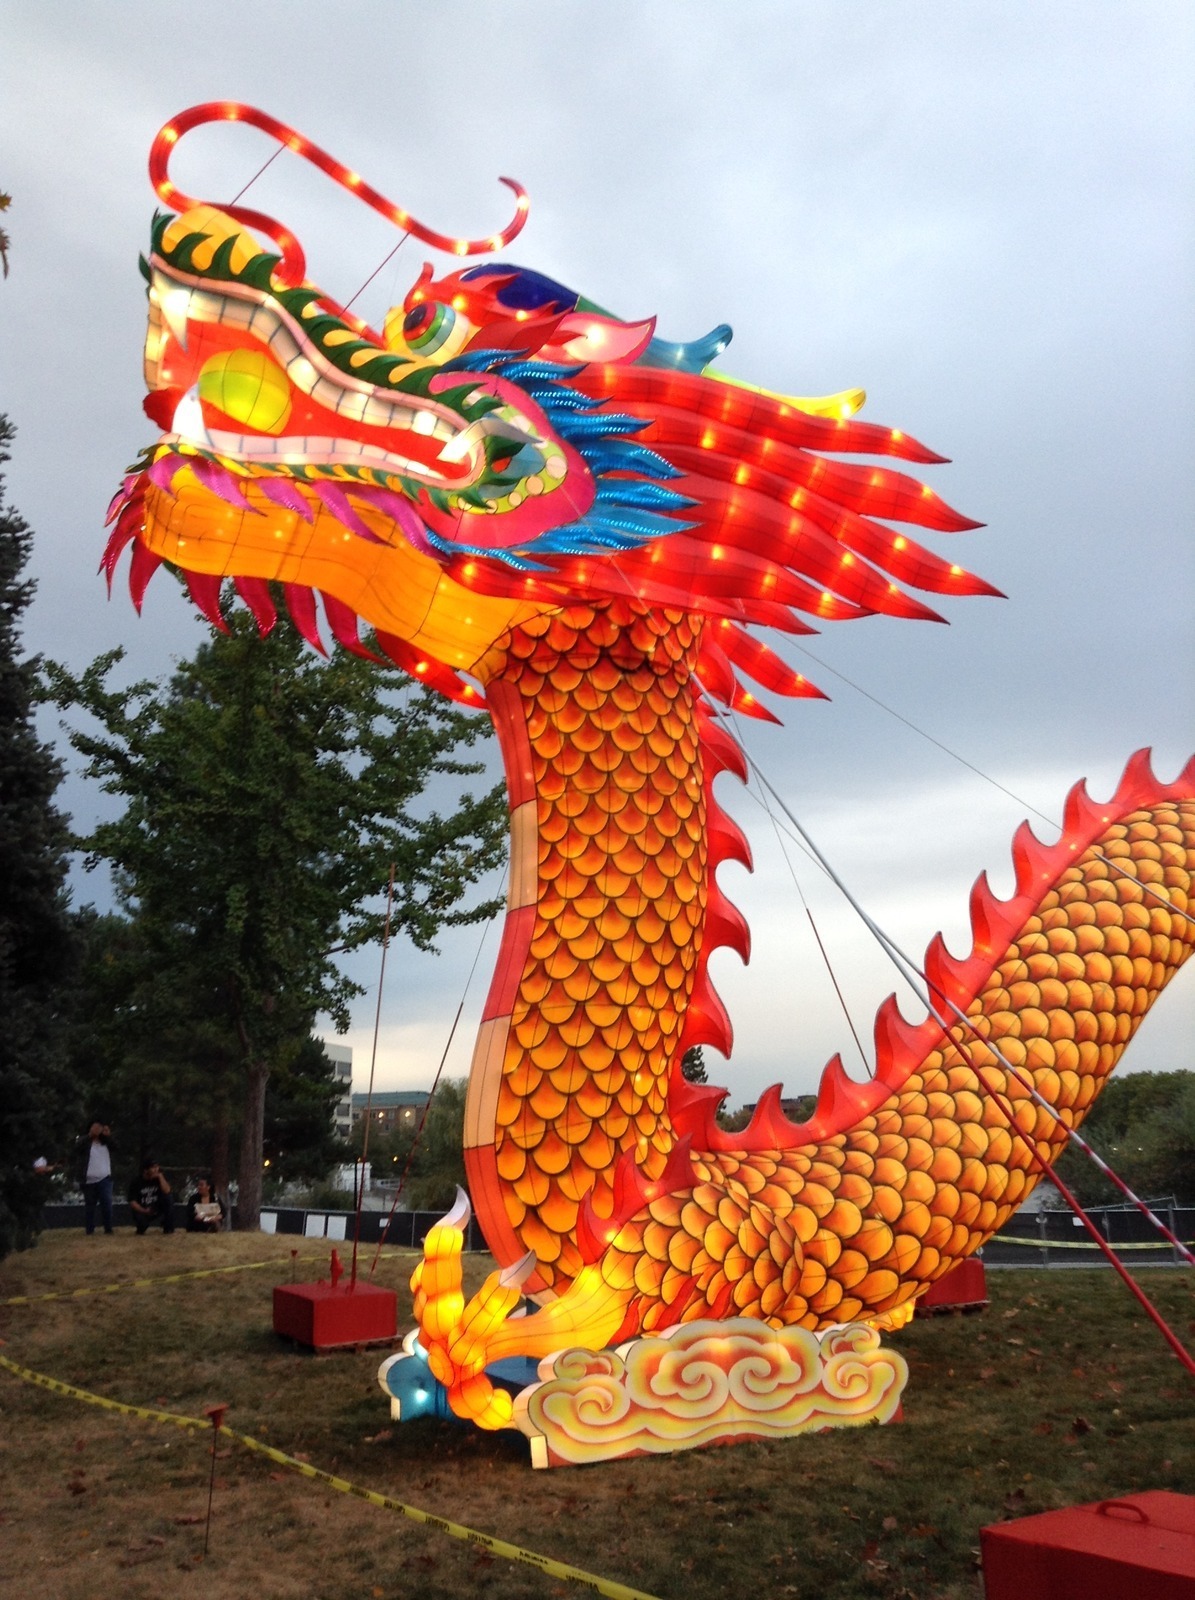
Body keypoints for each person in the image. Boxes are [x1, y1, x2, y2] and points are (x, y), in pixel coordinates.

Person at [81, 1122, 114, 1236]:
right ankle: (89, 1230)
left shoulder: (106, 1144)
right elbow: (76, 1147)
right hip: (89, 1180)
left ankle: (108, 1228)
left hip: (104, 1178)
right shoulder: (85, 1143)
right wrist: (90, 1135)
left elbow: (117, 1147)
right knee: (90, 1206)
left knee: (106, 1204)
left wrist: (107, 1136)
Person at [128, 1157, 174, 1235]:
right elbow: (132, 1202)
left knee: (168, 1199)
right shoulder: (136, 1182)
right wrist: (144, 1211)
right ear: (146, 1170)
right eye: (153, 1167)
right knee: (142, 1225)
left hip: (156, 1206)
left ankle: (168, 1228)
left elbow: (167, 1191)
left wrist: (160, 1177)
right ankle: (141, 1228)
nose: (156, 1170)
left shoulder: (159, 1179)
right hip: (142, 1209)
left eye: (157, 1167)